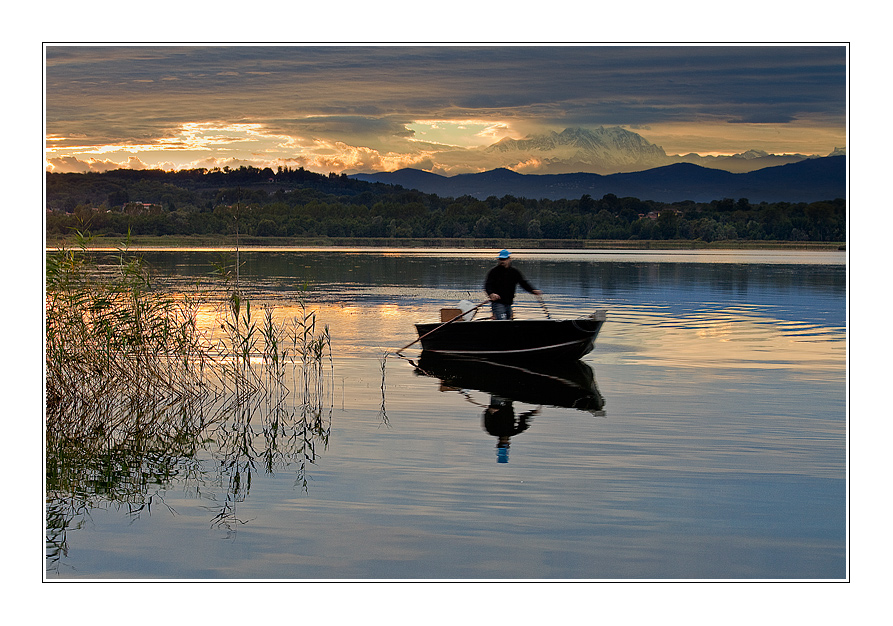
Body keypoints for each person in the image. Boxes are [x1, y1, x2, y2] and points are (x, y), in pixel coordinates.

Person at [484, 249, 542, 320]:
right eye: (501, 259)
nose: (502, 261)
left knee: (509, 321)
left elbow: (523, 283)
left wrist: (532, 290)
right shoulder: (493, 272)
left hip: (508, 303)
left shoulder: (514, 272)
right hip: (498, 303)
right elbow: (488, 285)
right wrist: (491, 294)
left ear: (509, 259)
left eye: (504, 259)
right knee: (501, 321)